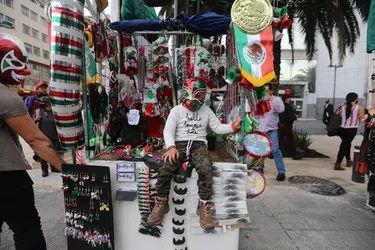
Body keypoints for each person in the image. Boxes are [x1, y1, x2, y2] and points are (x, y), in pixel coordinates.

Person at [147, 78, 241, 230]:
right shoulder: (176, 111)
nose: (198, 100)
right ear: (186, 93)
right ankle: (161, 202)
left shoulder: (206, 111)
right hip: (179, 145)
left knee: (205, 168)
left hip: (198, 145)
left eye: (202, 96)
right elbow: (168, 130)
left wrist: (232, 127)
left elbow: (217, 128)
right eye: (196, 95)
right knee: (165, 167)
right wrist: (171, 147)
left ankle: (204, 205)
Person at [0, 31, 65, 249]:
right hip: (7, 177)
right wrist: (69, 170)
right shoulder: (7, 97)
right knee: (26, 228)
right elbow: (36, 140)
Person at [258, 83, 287, 181]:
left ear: (271, 91)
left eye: (267, 90)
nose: (265, 92)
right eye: (264, 90)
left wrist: (272, 102)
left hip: (272, 129)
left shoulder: (276, 99)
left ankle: (281, 172)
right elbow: (257, 113)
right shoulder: (261, 100)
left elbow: (281, 110)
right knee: (261, 149)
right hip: (262, 129)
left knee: (275, 150)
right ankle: (260, 168)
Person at [334, 92, 365, 170]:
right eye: (357, 97)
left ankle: (348, 161)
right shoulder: (359, 107)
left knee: (347, 143)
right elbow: (362, 119)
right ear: (355, 99)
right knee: (344, 145)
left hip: (341, 129)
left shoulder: (341, 106)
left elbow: (336, 115)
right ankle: (338, 164)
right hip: (352, 129)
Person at [34, 96, 63, 177]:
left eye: (43, 102)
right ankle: (44, 169)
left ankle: (54, 167)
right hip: (43, 136)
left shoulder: (54, 112)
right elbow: (33, 123)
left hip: (54, 135)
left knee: (54, 152)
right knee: (44, 154)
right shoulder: (38, 111)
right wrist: (36, 120)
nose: (41, 103)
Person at [278, 94, 301, 160]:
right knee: (290, 141)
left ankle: (272, 154)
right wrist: (295, 117)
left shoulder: (281, 106)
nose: (291, 99)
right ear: (287, 99)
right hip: (287, 126)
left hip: (280, 126)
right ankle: (294, 155)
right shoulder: (288, 106)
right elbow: (291, 117)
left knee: (278, 141)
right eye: (289, 98)